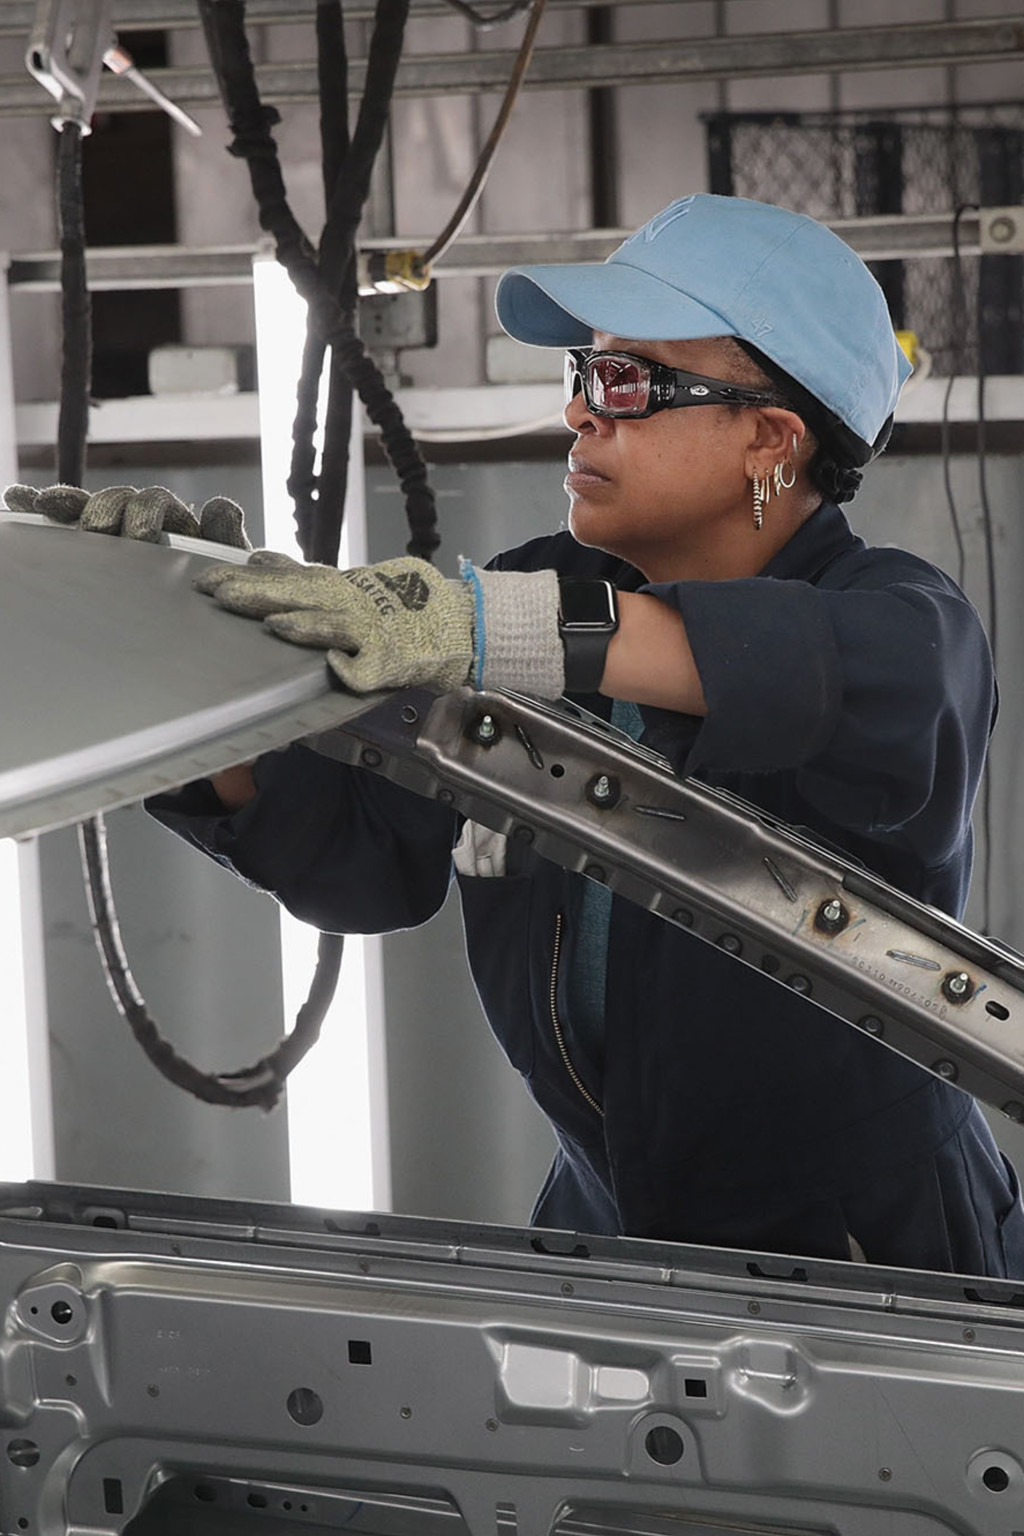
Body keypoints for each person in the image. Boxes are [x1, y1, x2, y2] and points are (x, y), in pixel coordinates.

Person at [149, 193, 1024, 1275]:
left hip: (870, 1253)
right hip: (604, 1220)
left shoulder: (905, 624)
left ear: (770, 437)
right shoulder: (541, 595)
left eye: (626, 382)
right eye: (581, 376)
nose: (581, 414)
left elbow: (829, 670)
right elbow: (362, 866)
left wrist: (486, 627)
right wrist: (181, 649)